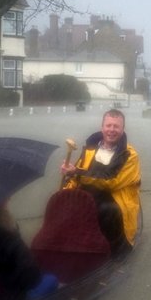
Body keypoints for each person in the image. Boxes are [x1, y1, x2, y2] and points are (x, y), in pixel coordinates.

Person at [60, 109, 141, 254]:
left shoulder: (130, 155)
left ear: (122, 130)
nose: (111, 130)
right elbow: (78, 173)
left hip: (115, 200)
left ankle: (113, 250)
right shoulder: (90, 148)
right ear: (102, 127)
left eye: (116, 126)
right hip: (90, 195)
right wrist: (66, 188)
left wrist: (76, 172)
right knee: (67, 203)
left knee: (107, 210)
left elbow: (111, 181)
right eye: (108, 125)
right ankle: (76, 243)